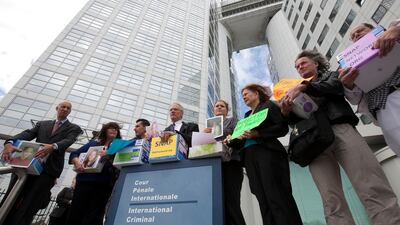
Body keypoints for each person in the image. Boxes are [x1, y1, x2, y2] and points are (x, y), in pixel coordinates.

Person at [280, 50, 400, 225]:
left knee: (370, 183)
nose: (300, 67)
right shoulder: (295, 90)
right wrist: (286, 111)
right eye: (297, 67)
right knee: (330, 199)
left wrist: (305, 87)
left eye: (303, 63)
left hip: (340, 128)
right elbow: (296, 119)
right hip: (314, 141)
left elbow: (334, 87)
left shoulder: (332, 75)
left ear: (316, 63)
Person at [226, 84, 303, 225]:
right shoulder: (245, 117)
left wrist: (259, 133)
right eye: (242, 95)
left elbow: (281, 128)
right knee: (262, 198)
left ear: (256, 93)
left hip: (268, 154)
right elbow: (238, 141)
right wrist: (230, 140)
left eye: (246, 94)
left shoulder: (268, 105)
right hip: (250, 158)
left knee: (276, 194)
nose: (244, 97)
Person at [1, 101, 82, 225]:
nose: (65, 109)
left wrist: (53, 146)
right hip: (26, 165)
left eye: (68, 108)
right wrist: (9, 142)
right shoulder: (42, 124)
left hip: (48, 171)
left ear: (70, 111)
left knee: (30, 204)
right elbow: (27, 134)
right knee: (11, 197)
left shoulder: (74, 128)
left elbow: (68, 140)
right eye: (63, 107)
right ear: (57, 108)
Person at [339, 21, 400, 156]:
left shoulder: (392, 31)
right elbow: (357, 100)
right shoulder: (351, 66)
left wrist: (396, 30)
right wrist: (349, 85)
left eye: (360, 30)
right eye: (353, 36)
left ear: (374, 29)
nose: (356, 35)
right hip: (385, 110)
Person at [66, 122, 121, 225]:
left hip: (103, 186)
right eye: (111, 128)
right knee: (76, 212)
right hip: (84, 182)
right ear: (105, 130)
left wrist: (109, 156)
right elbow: (74, 154)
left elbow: (120, 166)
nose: (114, 130)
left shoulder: (118, 148)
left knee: (95, 215)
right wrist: (77, 162)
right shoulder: (93, 144)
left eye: (116, 129)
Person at [204, 100, 246, 225]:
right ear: (213, 110)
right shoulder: (209, 125)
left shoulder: (233, 121)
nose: (219, 108)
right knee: (217, 202)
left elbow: (238, 135)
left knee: (231, 201)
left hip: (231, 163)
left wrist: (218, 132)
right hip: (215, 164)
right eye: (217, 106)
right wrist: (204, 134)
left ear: (227, 110)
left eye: (222, 106)